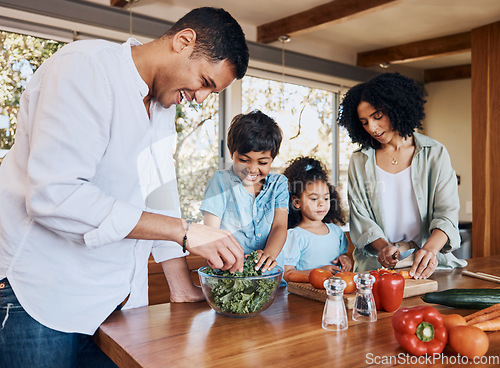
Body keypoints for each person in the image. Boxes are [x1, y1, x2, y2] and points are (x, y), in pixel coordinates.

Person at [0, 7, 249, 368]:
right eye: (205, 83)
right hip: (41, 298)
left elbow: (160, 194)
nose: (200, 99)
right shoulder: (86, 68)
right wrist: (185, 232)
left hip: (112, 305)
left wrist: (179, 284)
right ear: (184, 41)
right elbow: (55, 195)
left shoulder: (162, 110)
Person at [338, 72, 467, 280]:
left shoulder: (434, 153)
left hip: (431, 268)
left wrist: (429, 251)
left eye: (377, 116)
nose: (372, 128)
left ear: (396, 109)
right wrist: (384, 248)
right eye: (364, 122)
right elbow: (361, 220)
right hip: (375, 271)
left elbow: (447, 214)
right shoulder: (359, 161)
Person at [200, 110, 288, 272]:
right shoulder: (220, 182)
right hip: (229, 272)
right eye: (243, 160)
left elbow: (279, 227)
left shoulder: (279, 184)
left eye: (262, 162)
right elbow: (212, 233)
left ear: (272, 159)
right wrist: (230, 261)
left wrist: (267, 256)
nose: (252, 169)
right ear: (231, 153)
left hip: (269, 273)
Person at [281, 157, 351, 282]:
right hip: (304, 298)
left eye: (325, 198)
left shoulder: (336, 232)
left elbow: (342, 254)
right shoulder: (294, 236)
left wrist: (345, 259)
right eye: (314, 199)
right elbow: (287, 274)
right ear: (296, 202)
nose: (321, 204)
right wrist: (319, 273)